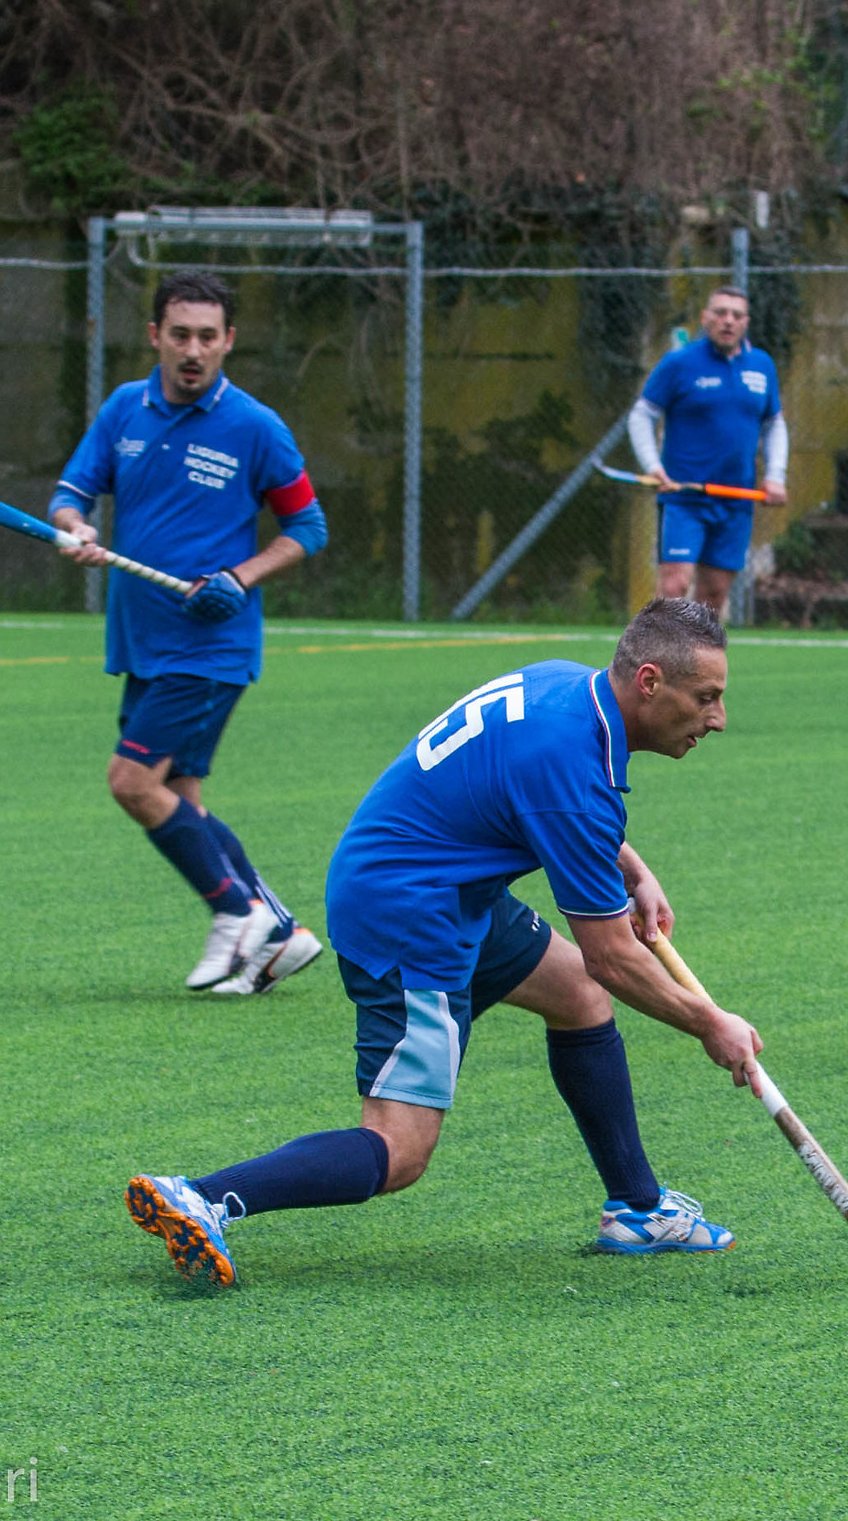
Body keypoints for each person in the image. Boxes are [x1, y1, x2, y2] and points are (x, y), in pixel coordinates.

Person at [126, 600, 766, 1286]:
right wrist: (710, 1023)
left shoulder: (567, 686)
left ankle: (638, 1210)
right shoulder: (571, 770)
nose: (718, 718)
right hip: (406, 911)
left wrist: (631, 867)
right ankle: (203, 1194)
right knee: (400, 1150)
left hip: (449, 887)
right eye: (706, 698)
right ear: (648, 681)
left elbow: (547, 795)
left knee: (576, 992)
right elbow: (613, 953)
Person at [50, 270, 329, 996]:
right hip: (140, 640)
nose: (194, 349)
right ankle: (282, 934)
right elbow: (71, 494)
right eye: (180, 335)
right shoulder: (122, 411)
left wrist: (241, 575)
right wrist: (74, 528)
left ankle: (237, 913)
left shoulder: (255, 427)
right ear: (155, 337)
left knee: (131, 781)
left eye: (209, 336)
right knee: (184, 800)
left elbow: (308, 526)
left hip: (209, 649)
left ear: (229, 340)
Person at [628, 285, 788, 621]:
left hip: (736, 498)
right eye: (720, 313)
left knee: (714, 594)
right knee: (674, 586)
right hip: (684, 497)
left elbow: (775, 424)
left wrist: (775, 476)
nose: (728, 321)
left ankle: (697, 671)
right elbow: (642, 415)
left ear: (746, 321)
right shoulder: (679, 363)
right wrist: (653, 466)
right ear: (705, 318)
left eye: (736, 314)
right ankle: (662, 666)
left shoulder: (762, 366)